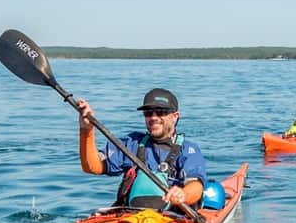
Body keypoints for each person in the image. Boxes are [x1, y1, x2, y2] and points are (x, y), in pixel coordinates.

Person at [77, 86, 207, 211]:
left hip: (169, 219)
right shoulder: (132, 143)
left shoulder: (188, 150)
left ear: (175, 116)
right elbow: (92, 167)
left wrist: (183, 194)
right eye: (148, 113)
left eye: (161, 112)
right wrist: (86, 130)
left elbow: (196, 186)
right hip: (132, 217)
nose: (154, 118)